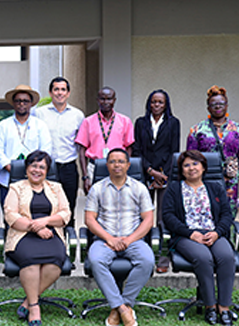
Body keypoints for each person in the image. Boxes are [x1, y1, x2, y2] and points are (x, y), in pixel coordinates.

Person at [161, 151, 235, 325]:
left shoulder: (215, 187)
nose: (191, 168)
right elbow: (168, 216)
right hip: (186, 236)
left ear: (203, 167)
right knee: (203, 257)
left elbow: (226, 214)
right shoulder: (174, 188)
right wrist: (190, 233)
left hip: (213, 233)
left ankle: (224, 307)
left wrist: (217, 232)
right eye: (186, 165)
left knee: (226, 257)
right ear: (181, 170)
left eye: (195, 164)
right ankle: (210, 307)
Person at [85, 148, 154, 326]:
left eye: (121, 161)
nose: (117, 165)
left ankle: (120, 306)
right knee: (96, 261)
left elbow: (148, 220)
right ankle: (123, 308)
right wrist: (109, 239)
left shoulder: (140, 188)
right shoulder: (97, 188)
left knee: (147, 260)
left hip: (133, 239)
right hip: (104, 240)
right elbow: (90, 219)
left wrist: (129, 240)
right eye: (113, 161)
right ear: (106, 165)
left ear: (128, 165)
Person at [3, 150, 71, 326]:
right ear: (26, 168)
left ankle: (27, 301)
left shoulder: (56, 188)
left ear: (47, 171)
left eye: (42, 167)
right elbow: (10, 215)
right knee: (30, 260)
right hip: (23, 235)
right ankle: (34, 307)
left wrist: (46, 221)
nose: (37, 170)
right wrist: (36, 229)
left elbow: (65, 214)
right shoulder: (16, 188)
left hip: (52, 233)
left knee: (55, 262)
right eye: (33, 165)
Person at [131, 89, 180, 273]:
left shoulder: (173, 123)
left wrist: (162, 174)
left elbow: (174, 150)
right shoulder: (140, 122)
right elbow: (137, 150)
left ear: (166, 104)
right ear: (149, 104)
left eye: (160, 102)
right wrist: (150, 171)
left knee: (163, 216)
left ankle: (163, 257)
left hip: (165, 175)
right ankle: (142, 255)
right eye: (153, 102)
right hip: (145, 174)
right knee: (143, 215)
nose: (156, 105)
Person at [187, 86, 239, 212]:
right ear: (208, 108)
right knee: (206, 214)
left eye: (221, 104)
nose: (217, 107)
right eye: (213, 104)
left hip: (231, 182)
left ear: (227, 106)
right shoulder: (196, 130)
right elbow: (190, 159)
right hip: (205, 179)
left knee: (228, 215)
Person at [34, 77, 85, 228]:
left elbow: (80, 143)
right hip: (46, 168)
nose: (59, 93)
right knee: (47, 205)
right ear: (50, 92)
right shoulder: (39, 113)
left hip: (69, 166)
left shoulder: (77, 115)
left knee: (68, 205)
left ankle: (69, 238)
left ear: (68, 93)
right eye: (56, 89)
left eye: (63, 89)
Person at [0, 84, 52, 207]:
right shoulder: (4, 125)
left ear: (31, 103)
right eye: (18, 101)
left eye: (25, 101)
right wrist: (11, 168)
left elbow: (46, 150)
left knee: (33, 215)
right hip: (8, 179)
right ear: (13, 103)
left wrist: (33, 169)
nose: (21, 104)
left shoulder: (40, 125)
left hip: (35, 178)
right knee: (10, 217)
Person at [76, 87, 134, 195]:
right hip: (95, 167)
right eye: (102, 99)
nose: (106, 102)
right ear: (98, 100)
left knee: (118, 201)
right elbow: (82, 150)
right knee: (96, 203)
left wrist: (125, 169)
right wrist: (85, 177)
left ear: (114, 100)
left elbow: (129, 147)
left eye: (109, 99)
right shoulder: (88, 122)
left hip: (118, 166)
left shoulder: (125, 121)